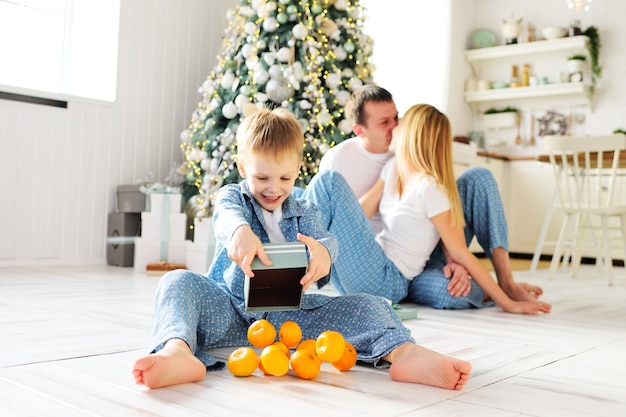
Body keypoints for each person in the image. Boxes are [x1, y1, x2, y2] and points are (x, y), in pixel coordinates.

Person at [132, 108, 472, 390]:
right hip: (229, 311)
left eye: (285, 179)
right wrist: (239, 232)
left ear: (297, 172)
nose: (273, 189)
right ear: (242, 168)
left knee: (371, 305)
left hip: (289, 319)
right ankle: (176, 352)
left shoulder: (304, 211)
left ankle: (404, 353)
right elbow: (226, 215)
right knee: (177, 282)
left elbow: (324, 240)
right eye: (262, 178)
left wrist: (323, 255)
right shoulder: (234, 197)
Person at [315, 85, 547, 312]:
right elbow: (360, 212)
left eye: (398, 122)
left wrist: (508, 304)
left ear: (412, 137)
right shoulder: (392, 167)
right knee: (316, 187)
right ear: (360, 130)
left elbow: (460, 252)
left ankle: (504, 287)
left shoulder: (429, 187)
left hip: (388, 277)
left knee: (328, 181)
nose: (394, 128)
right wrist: (336, 214)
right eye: (386, 122)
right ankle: (297, 267)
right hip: (375, 264)